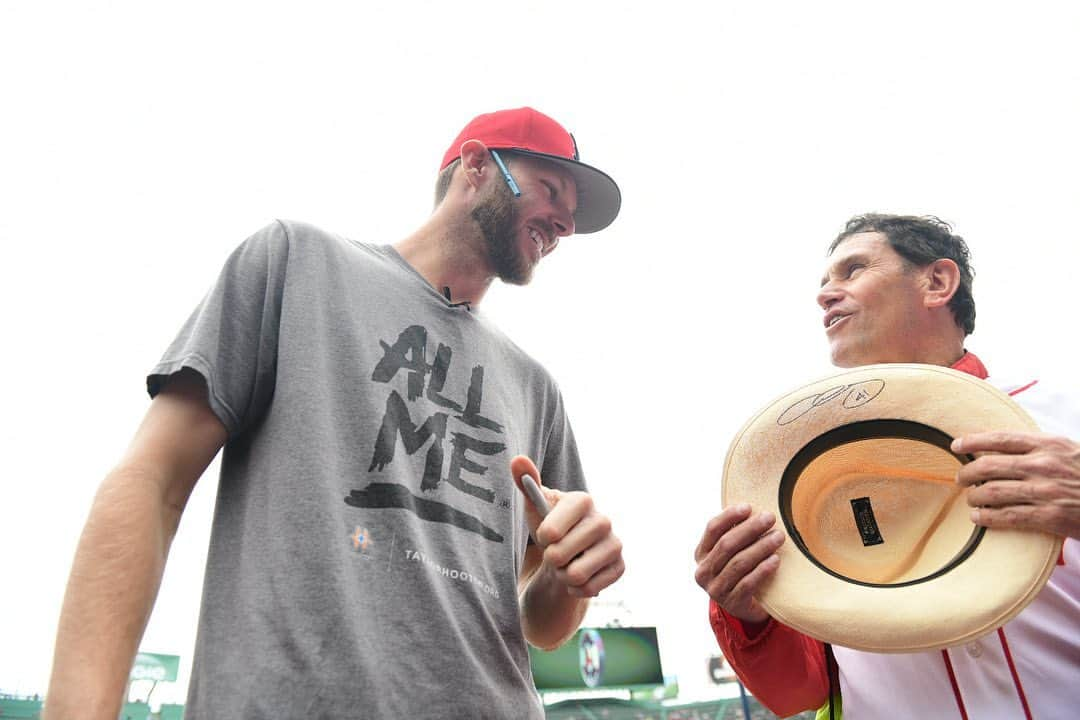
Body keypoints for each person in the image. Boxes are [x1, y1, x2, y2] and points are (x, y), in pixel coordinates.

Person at [44, 107, 626, 719]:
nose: (563, 223)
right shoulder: (296, 262)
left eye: (571, 217)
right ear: (477, 166)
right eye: (550, 190)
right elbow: (152, 480)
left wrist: (571, 577)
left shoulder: (537, 388)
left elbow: (540, 620)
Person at [694, 214, 1080, 719]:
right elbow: (799, 694)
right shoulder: (791, 475)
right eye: (824, 282)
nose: (826, 294)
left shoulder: (1062, 414)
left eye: (853, 270)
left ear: (937, 282)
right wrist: (744, 610)